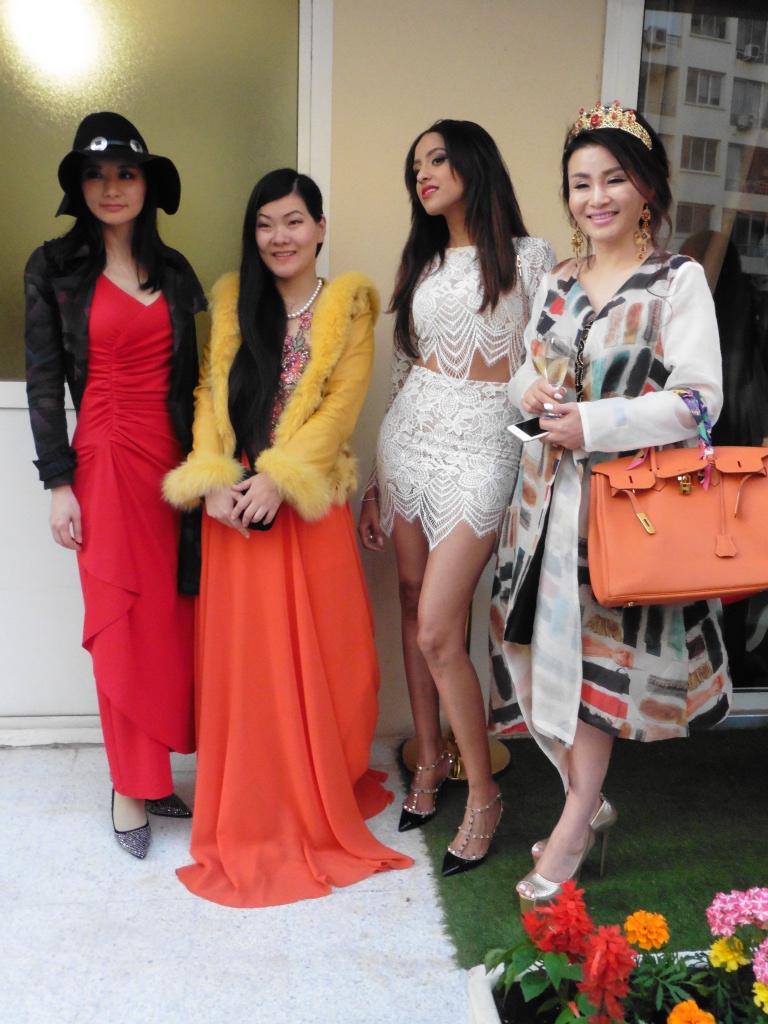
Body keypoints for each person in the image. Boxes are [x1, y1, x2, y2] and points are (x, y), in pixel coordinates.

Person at [488, 102, 731, 910]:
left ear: (646, 189)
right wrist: (533, 391)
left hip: (622, 513)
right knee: (521, 648)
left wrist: (594, 423)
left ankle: (576, 819)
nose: (596, 197)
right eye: (580, 183)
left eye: (613, 179)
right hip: (540, 509)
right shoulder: (558, 278)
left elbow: (699, 403)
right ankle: (584, 798)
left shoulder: (676, 281)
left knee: (590, 668)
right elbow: (524, 369)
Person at [163, 168, 412, 908]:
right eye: (266, 223)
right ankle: (255, 795)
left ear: (320, 228)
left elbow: (340, 408)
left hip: (304, 501)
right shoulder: (235, 303)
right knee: (249, 665)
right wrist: (212, 477)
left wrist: (279, 478)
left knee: (335, 660)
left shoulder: (348, 308)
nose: (280, 236)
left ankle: (316, 784)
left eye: (294, 221)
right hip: (234, 506)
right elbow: (209, 391)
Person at [358, 119, 555, 876]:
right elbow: (404, 370)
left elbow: (551, 360)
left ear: (475, 163)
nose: (424, 174)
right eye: (416, 165)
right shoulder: (423, 259)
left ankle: (483, 795)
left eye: (438, 159)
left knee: (441, 629)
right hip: (409, 442)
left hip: (485, 445)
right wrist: (374, 483)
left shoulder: (531, 257)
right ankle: (431, 760)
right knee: (412, 604)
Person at [24, 112, 205, 858]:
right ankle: (128, 786)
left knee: (167, 623)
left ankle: (156, 770)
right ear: (80, 187)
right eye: (96, 176)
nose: (111, 188)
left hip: (175, 471)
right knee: (120, 624)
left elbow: (200, 380)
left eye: (126, 174)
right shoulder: (53, 267)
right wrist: (58, 484)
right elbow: (43, 382)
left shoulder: (176, 271)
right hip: (102, 461)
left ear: (146, 185)